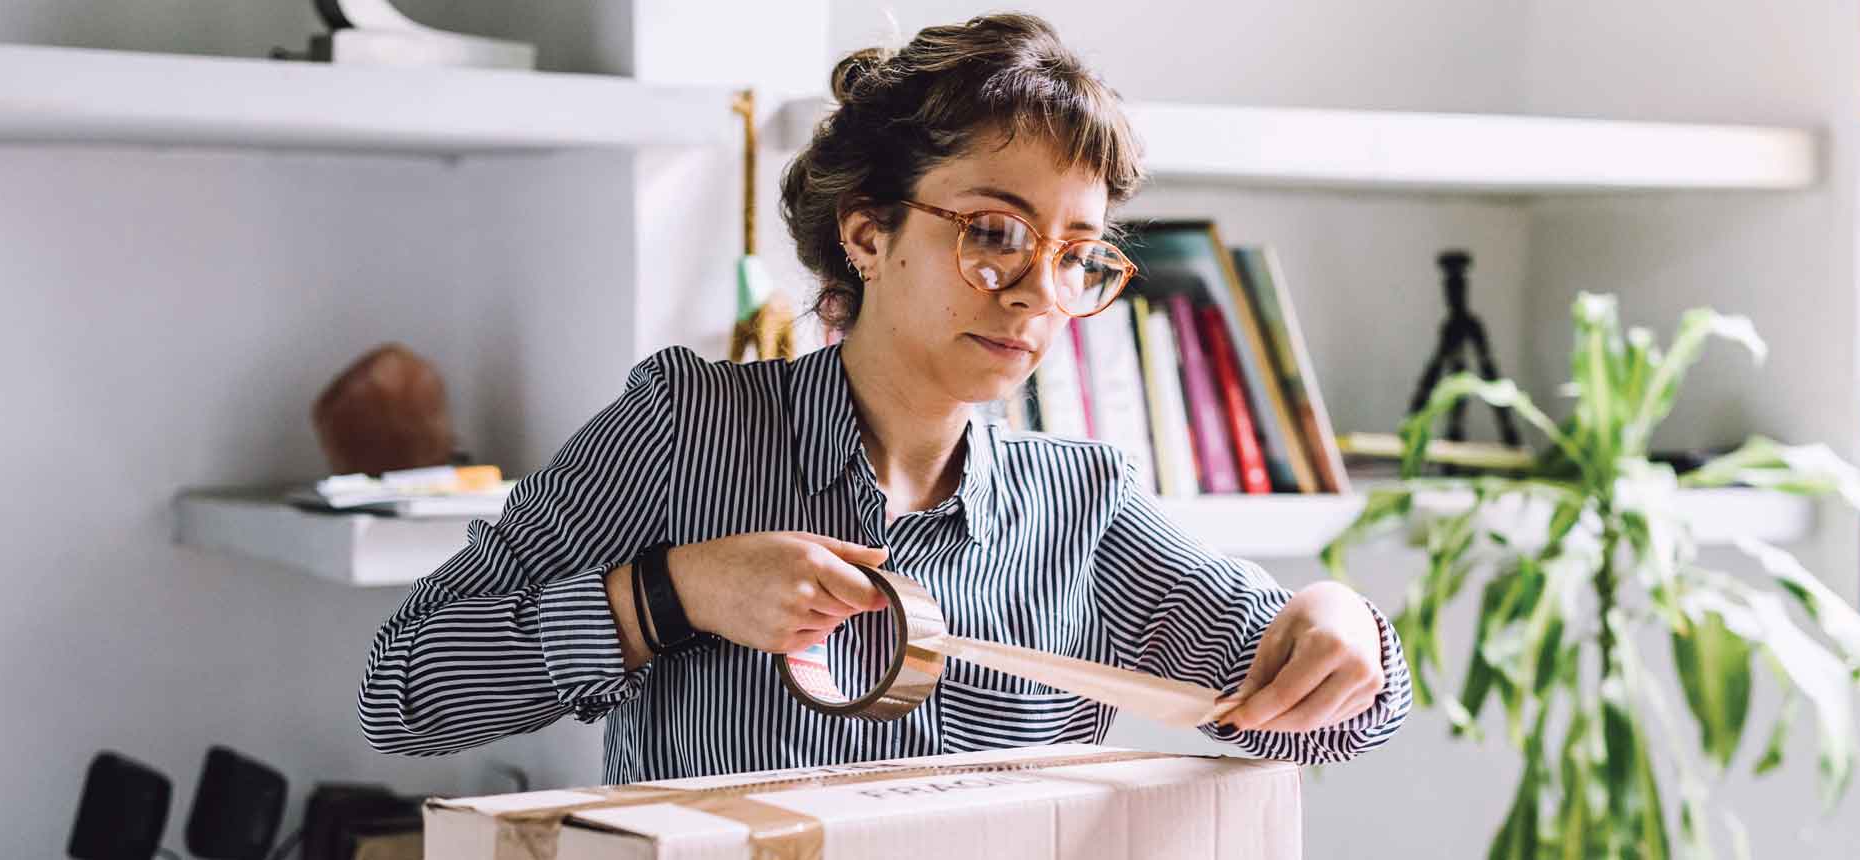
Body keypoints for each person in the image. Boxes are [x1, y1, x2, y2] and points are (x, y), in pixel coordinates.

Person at [357, 12, 1406, 783]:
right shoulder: (685, 431)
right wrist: (670, 595)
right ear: (869, 233)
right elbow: (398, 691)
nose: (1041, 292)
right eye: (994, 233)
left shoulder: (1084, 506)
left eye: (1078, 256)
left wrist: (1341, 618)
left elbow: (1332, 715)